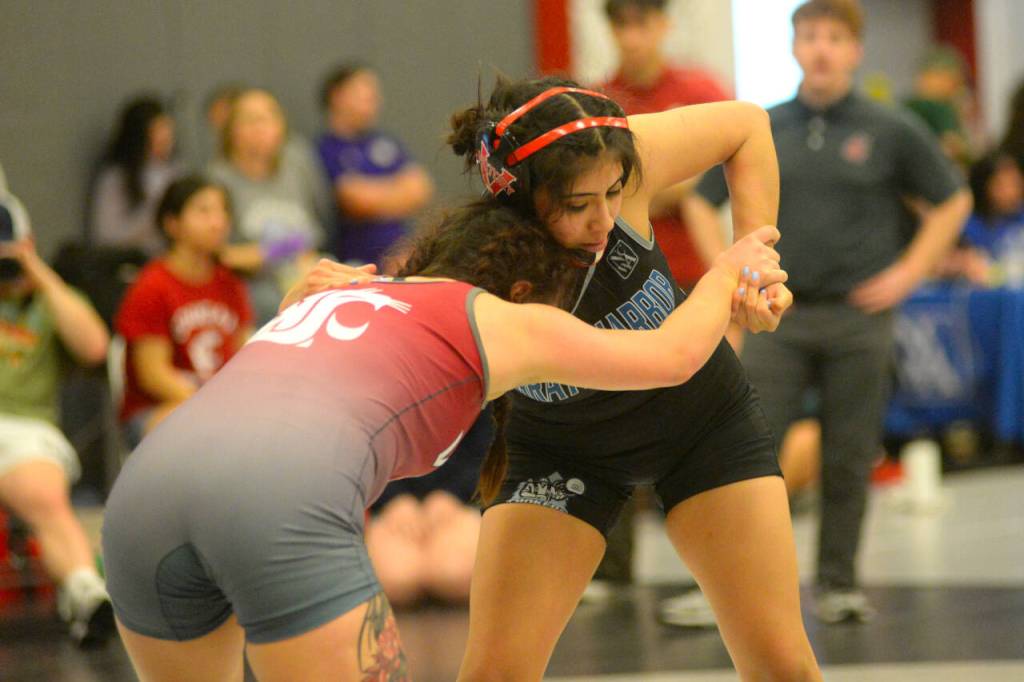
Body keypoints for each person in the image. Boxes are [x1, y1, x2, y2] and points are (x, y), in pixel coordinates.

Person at [101, 196, 788, 680]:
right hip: (274, 496)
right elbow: (672, 356)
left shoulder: (334, 292)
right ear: (525, 286)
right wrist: (730, 268)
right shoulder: (494, 315)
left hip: (146, 486)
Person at [427, 73, 821, 680]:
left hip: (701, 427)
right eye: (578, 206)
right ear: (521, 203)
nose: (606, 221)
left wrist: (755, 272)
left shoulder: (621, 151)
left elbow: (747, 125)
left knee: (783, 667)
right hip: (562, 450)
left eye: (615, 192)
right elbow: (673, 352)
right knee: (494, 675)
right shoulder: (476, 267)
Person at [661, 0, 972, 629]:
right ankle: (722, 591)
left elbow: (952, 200)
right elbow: (698, 200)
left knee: (849, 455)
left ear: (854, 50)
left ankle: (838, 584)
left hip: (859, 317)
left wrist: (908, 274)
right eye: (809, 36)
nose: (822, 49)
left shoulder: (890, 126)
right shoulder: (764, 125)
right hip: (779, 317)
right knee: (744, 451)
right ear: (794, 47)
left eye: (834, 37)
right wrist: (729, 270)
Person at [0, 185, 114, 646]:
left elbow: (95, 347)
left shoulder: (51, 301)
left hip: (23, 428)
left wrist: (37, 274)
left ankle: (86, 593)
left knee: (43, 494)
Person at [601, 0, 733, 290]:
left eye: (641, 24)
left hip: (695, 267)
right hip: (625, 276)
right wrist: (685, 177)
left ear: (663, 24)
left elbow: (728, 169)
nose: (631, 39)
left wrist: (635, 190)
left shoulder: (701, 93)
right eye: (621, 25)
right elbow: (598, 194)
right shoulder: (600, 102)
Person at [114, 175, 253, 447]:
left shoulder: (230, 282)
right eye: (204, 211)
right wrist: (213, 406)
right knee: (205, 435)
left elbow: (245, 354)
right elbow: (153, 374)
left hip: (221, 406)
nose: (218, 222)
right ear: (172, 224)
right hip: (159, 408)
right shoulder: (152, 286)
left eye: (222, 211)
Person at [208, 88, 333, 323]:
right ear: (232, 130)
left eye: (269, 117)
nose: (261, 127)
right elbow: (219, 255)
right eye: (251, 120)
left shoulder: (298, 163)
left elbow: (319, 228)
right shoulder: (218, 179)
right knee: (269, 302)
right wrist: (273, 251)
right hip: (256, 283)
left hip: (308, 269)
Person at [316, 63, 433, 269]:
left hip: (401, 257)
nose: (373, 100)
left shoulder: (385, 142)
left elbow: (420, 189)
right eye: (363, 92)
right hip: (353, 263)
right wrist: (397, 191)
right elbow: (355, 199)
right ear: (337, 96)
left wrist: (378, 195)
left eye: (374, 94)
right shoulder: (325, 149)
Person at [90, 96, 183, 256]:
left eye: (167, 128)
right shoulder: (116, 177)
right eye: (158, 130)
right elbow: (106, 236)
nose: (166, 136)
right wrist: (155, 208)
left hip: (172, 258)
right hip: (131, 261)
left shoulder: (175, 171)